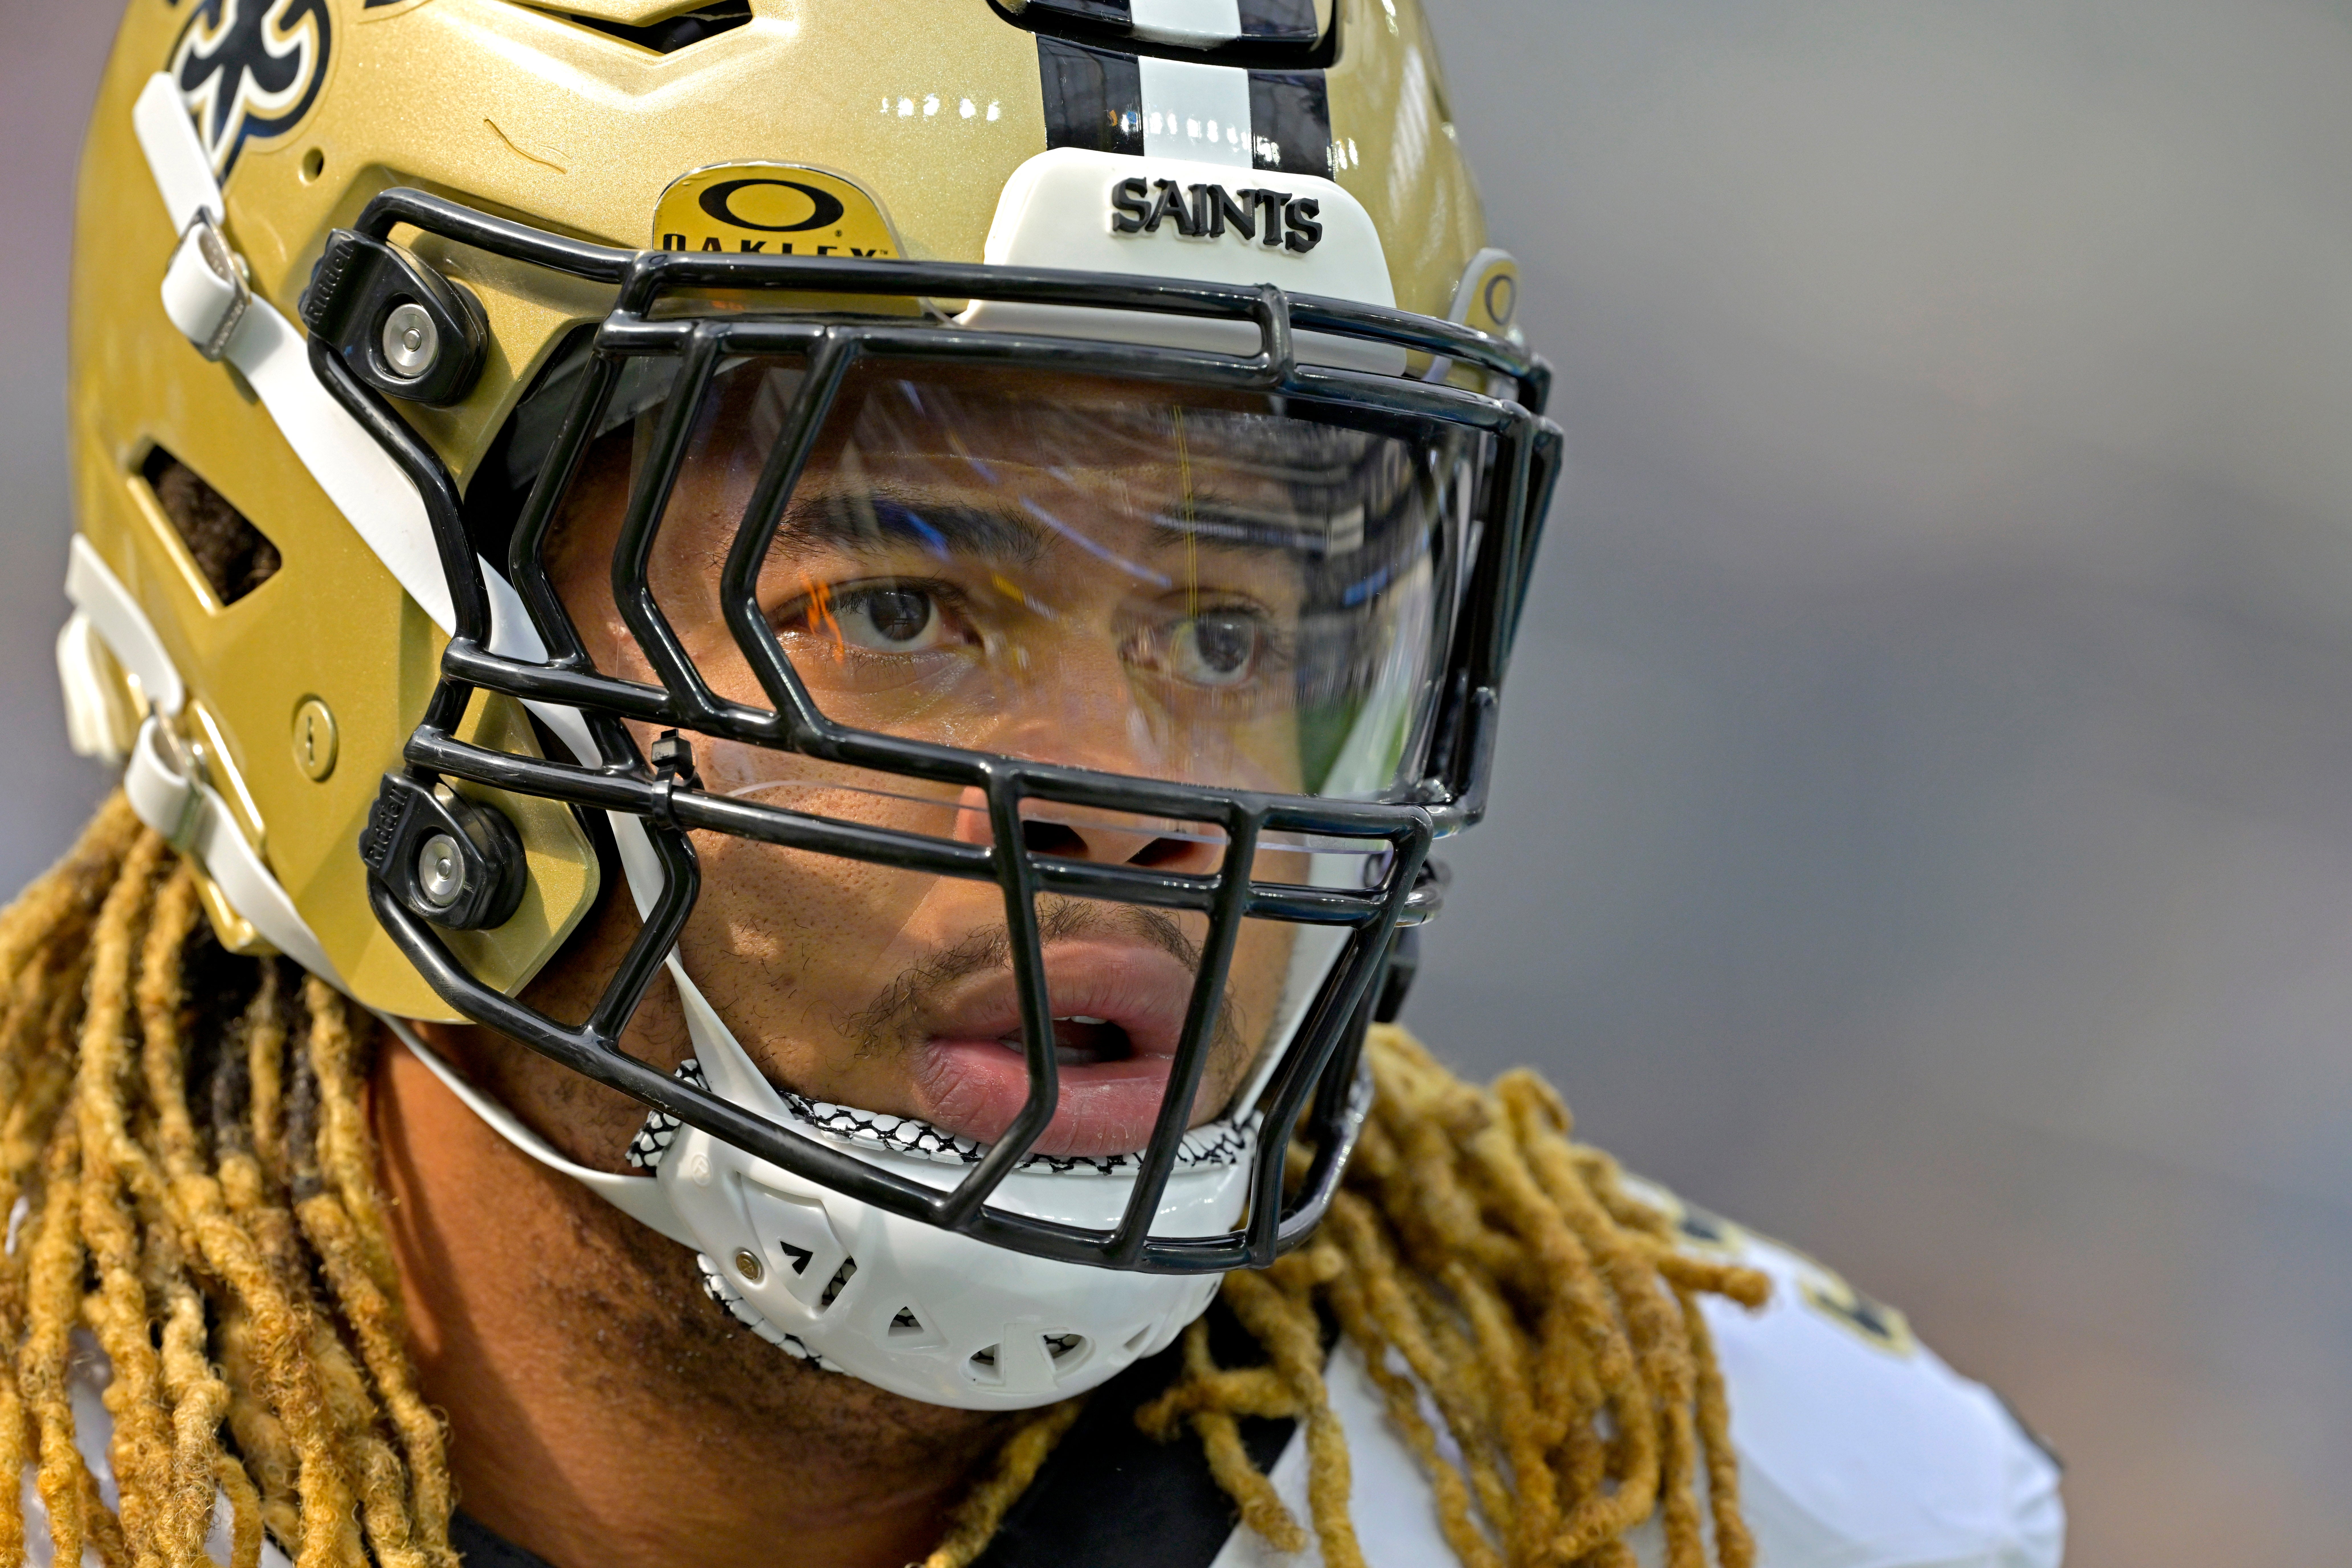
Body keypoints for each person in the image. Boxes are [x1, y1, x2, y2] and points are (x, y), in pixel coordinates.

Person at [11, 0, 2065, 1564]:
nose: (1136, 801)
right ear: (311, 568)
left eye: (1230, 630)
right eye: (899, 600)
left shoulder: (1734, 1494)